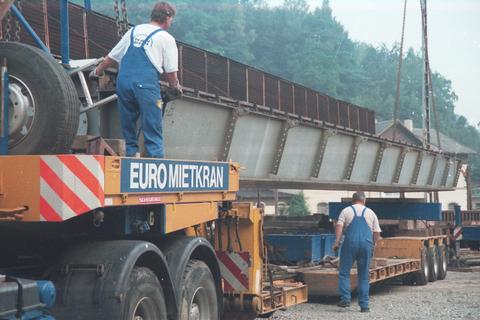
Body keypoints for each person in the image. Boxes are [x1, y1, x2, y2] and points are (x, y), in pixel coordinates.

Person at [90, 2, 181, 158]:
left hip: (124, 83)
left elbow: (111, 57)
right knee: (152, 126)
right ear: (167, 18)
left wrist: (97, 71)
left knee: (128, 125)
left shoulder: (134, 31)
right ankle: (155, 163)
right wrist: (176, 87)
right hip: (146, 85)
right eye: (172, 19)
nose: (171, 22)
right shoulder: (166, 38)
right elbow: (171, 73)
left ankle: (131, 157)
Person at [332, 191, 381, 312]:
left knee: (344, 272)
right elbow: (376, 232)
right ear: (364, 201)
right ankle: (364, 306)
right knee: (364, 276)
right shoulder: (371, 213)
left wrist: (337, 241)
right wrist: (373, 245)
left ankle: (345, 299)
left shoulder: (346, 211)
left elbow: (339, 226)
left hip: (350, 244)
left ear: (353, 200)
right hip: (366, 244)